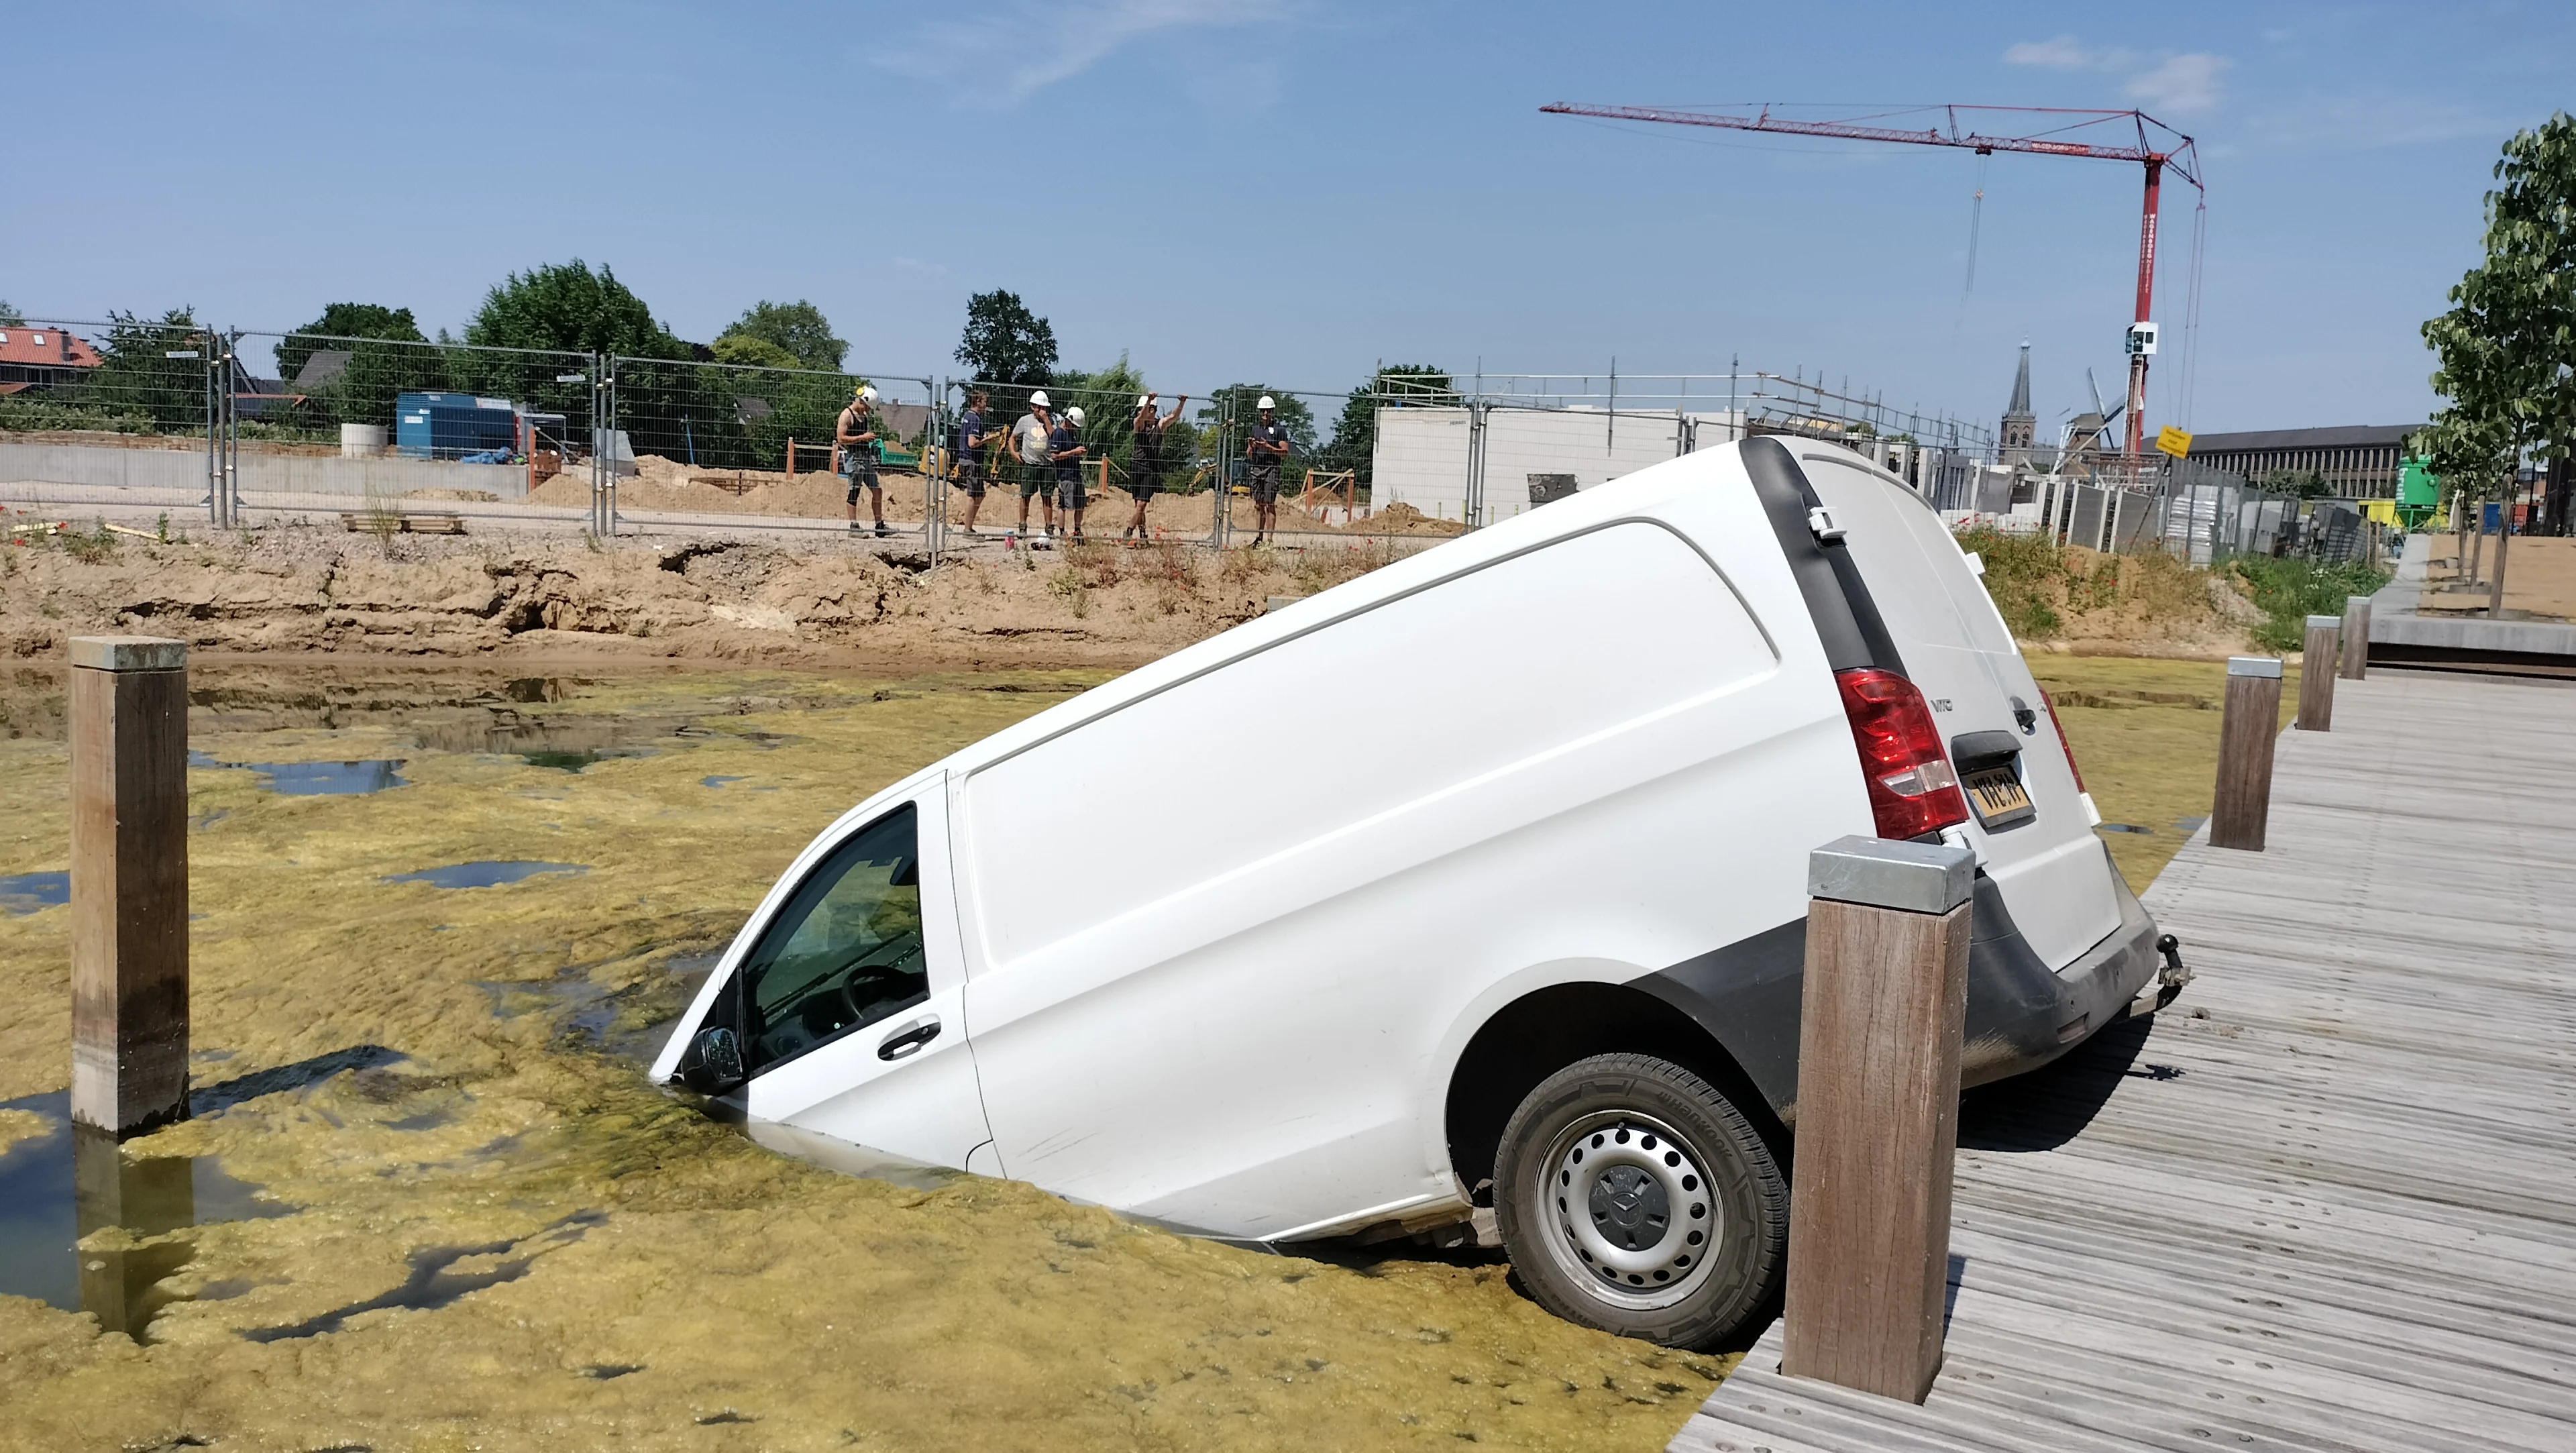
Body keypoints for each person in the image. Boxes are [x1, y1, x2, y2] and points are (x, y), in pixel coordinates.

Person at [1126, 391, 1186, 542]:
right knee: (1138, 506)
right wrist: (1148, 401)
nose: (1140, 412)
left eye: (1143, 409)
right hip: (1136, 466)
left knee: (1142, 504)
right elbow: (1138, 419)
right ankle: (1143, 534)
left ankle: (1128, 532)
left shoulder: (1160, 425)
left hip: (1150, 470)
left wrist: (1182, 403)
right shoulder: (1139, 424)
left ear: (1152, 410)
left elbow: (1174, 417)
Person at [838, 383, 887, 537]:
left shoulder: (863, 417)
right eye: (868, 407)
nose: (869, 411)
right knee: (855, 491)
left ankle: (880, 526)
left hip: (865, 458)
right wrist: (862, 437)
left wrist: (867, 440)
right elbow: (841, 439)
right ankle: (854, 527)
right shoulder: (846, 415)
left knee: (877, 490)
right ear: (862, 402)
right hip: (854, 458)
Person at [1010, 389, 1057, 546]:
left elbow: (1054, 437)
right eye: (1039, 407)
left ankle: (1049, 527)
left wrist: (1046, 420)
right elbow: (1013, 438)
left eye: (1044, 407)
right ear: (1032, 407)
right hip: (1029, 464)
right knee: (1025, 496)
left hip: (1046, 465)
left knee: (1047, 497)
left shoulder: (1051, 421)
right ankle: (1023, 526)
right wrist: (1013, 452)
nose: (1042, 410)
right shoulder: (1024, 421)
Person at [1243, 394, 1289, 546]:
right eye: (1263, 411)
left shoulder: (1280, 430)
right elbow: (1249, 455)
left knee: (1270, 504)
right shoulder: (1255, 429)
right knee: (1258, 505)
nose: (1265, 414)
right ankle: (1259, 538)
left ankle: (1269, 540)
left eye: (1268, 410)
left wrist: (1268, 447)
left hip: (1271, 468)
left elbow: (1285, 453)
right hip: (1256, 468)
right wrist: (1252, 446)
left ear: (1272, 411)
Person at [953, 389, 991, 535]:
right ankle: (967, 529)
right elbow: (972, 443)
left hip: (966, 459)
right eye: (985, 402)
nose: (986, 405)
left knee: (979, 495)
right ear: (978, 401)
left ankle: (970, 526)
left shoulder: (967, 417)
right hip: (971, 461)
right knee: (973, 494)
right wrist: (988, 439)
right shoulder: (975, 419)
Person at [1051, 405, 1088, 541]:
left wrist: (1080, 453)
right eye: (1074, 425)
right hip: (1065, 476)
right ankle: (1062, 532)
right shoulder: (1058, 434)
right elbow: (1054, 456)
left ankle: (1077, 531)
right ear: (1068, 421)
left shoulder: (1072, 433)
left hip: (1076, 474)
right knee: (1064, 505)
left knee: (1080, 505)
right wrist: (1073, 452)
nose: (1075, 428)